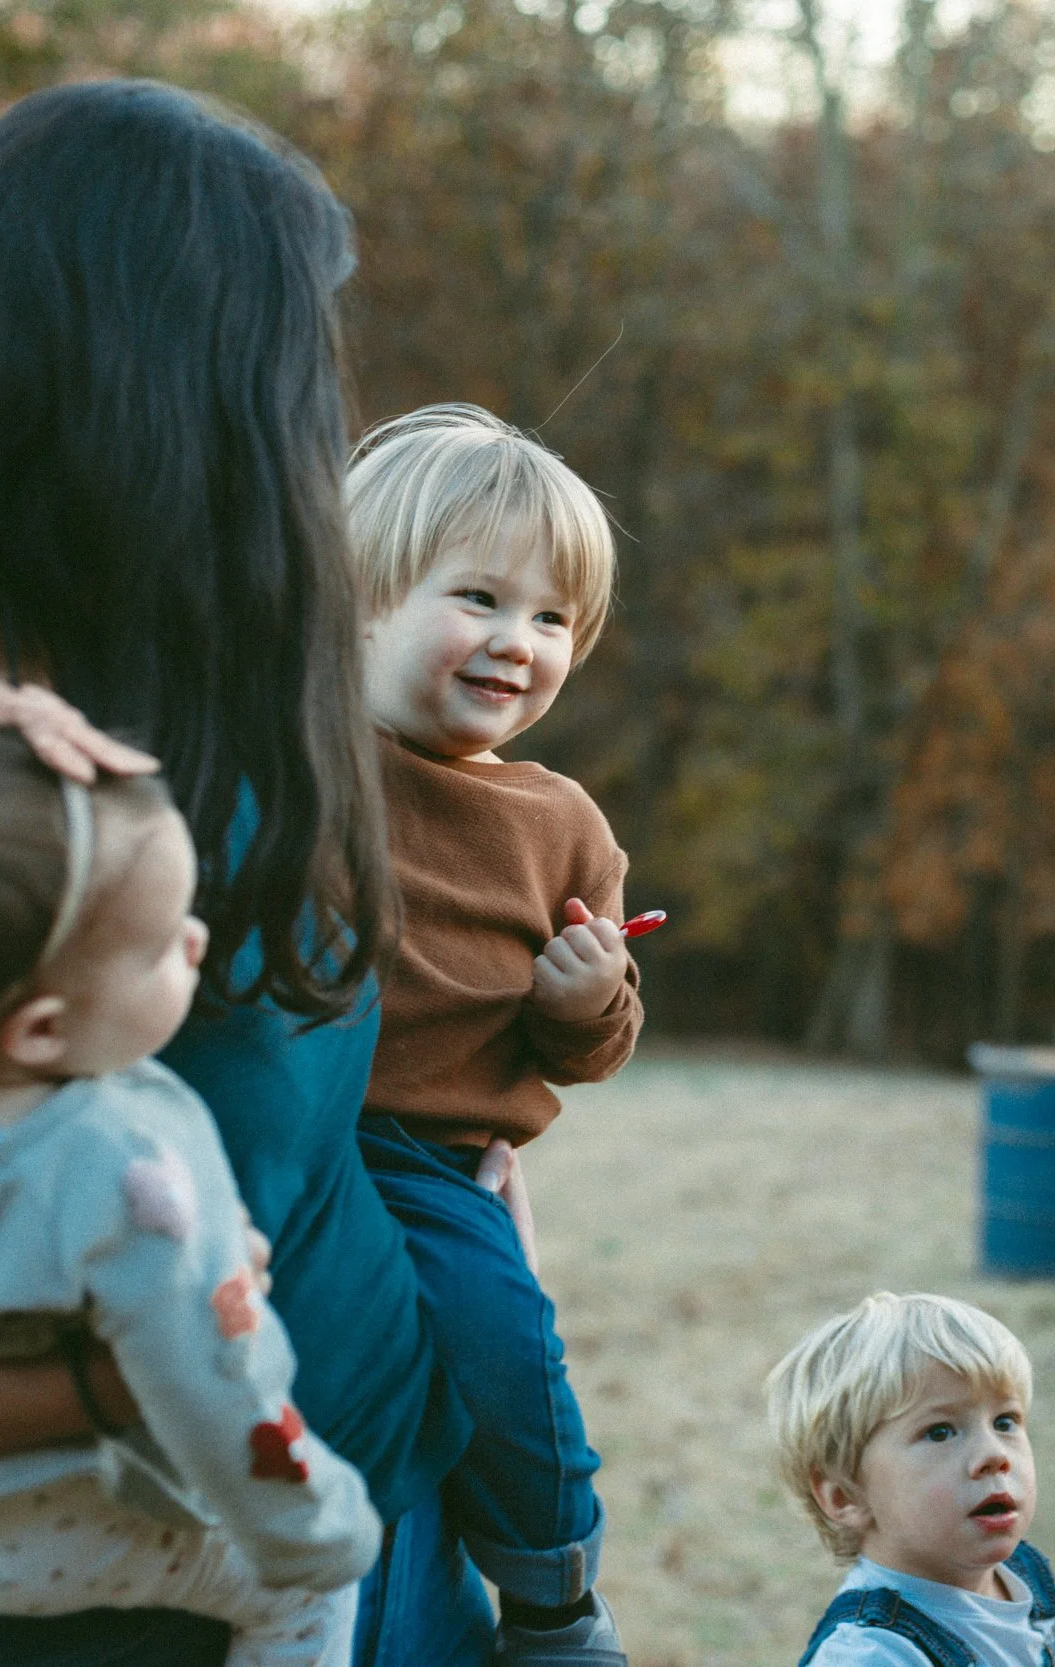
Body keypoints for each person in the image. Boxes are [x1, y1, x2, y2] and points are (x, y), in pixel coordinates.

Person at [0, 80, 492, 1665]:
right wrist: (130, 1372)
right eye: (296, 378)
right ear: (179, 398)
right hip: (74, 1623)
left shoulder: (176, 715)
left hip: (380, 1552)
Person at [0, 695, 380, 1666]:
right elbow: (217, 1387)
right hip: (37, 1543)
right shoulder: (129, 1167)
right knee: (306, 1590)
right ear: (40, 1032)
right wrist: (319, 1527)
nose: (193, 940)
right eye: (161, 941)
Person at [343, 405, 642, 1665]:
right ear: (360, 596)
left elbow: (596, 1043)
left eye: (553, 617)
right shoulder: (305, 758)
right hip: (298, 1134)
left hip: (432, 1162)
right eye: (479, 596)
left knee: (502, 1354)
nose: (518, 642)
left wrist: (584, 996)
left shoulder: (562, 822)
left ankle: (553, 1596)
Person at [766, 1293, 1055, 1667]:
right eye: (940, 1432)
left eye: (1004, 1422)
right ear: (846, 1495)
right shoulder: (872, 1655)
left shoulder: (1026, 1579)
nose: (994, 1455)